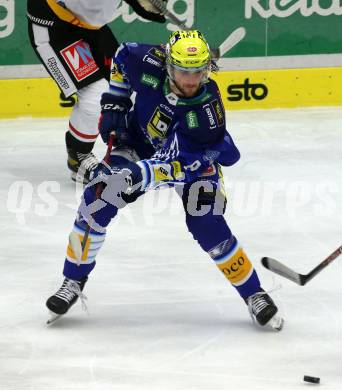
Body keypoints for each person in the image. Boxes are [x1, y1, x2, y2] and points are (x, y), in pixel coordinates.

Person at [46, 30, 284, 330]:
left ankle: (254, 294)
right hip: (139, 141)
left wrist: (137, 174)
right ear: (168, 65)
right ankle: (73, 280)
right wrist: (116, 102)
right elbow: (121, 56)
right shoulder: (145, 60)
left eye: (198, 72)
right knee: (97, 202)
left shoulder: (207, 112)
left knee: (206, 222)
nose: (190, 80)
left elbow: (176, 167)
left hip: (193, 160)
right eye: (183, 71)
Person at [27, 0, 166, 183]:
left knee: (126, 83)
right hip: (55, 26)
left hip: (92, 26)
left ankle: (133, 146)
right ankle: (79, 157)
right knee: (96, 95)